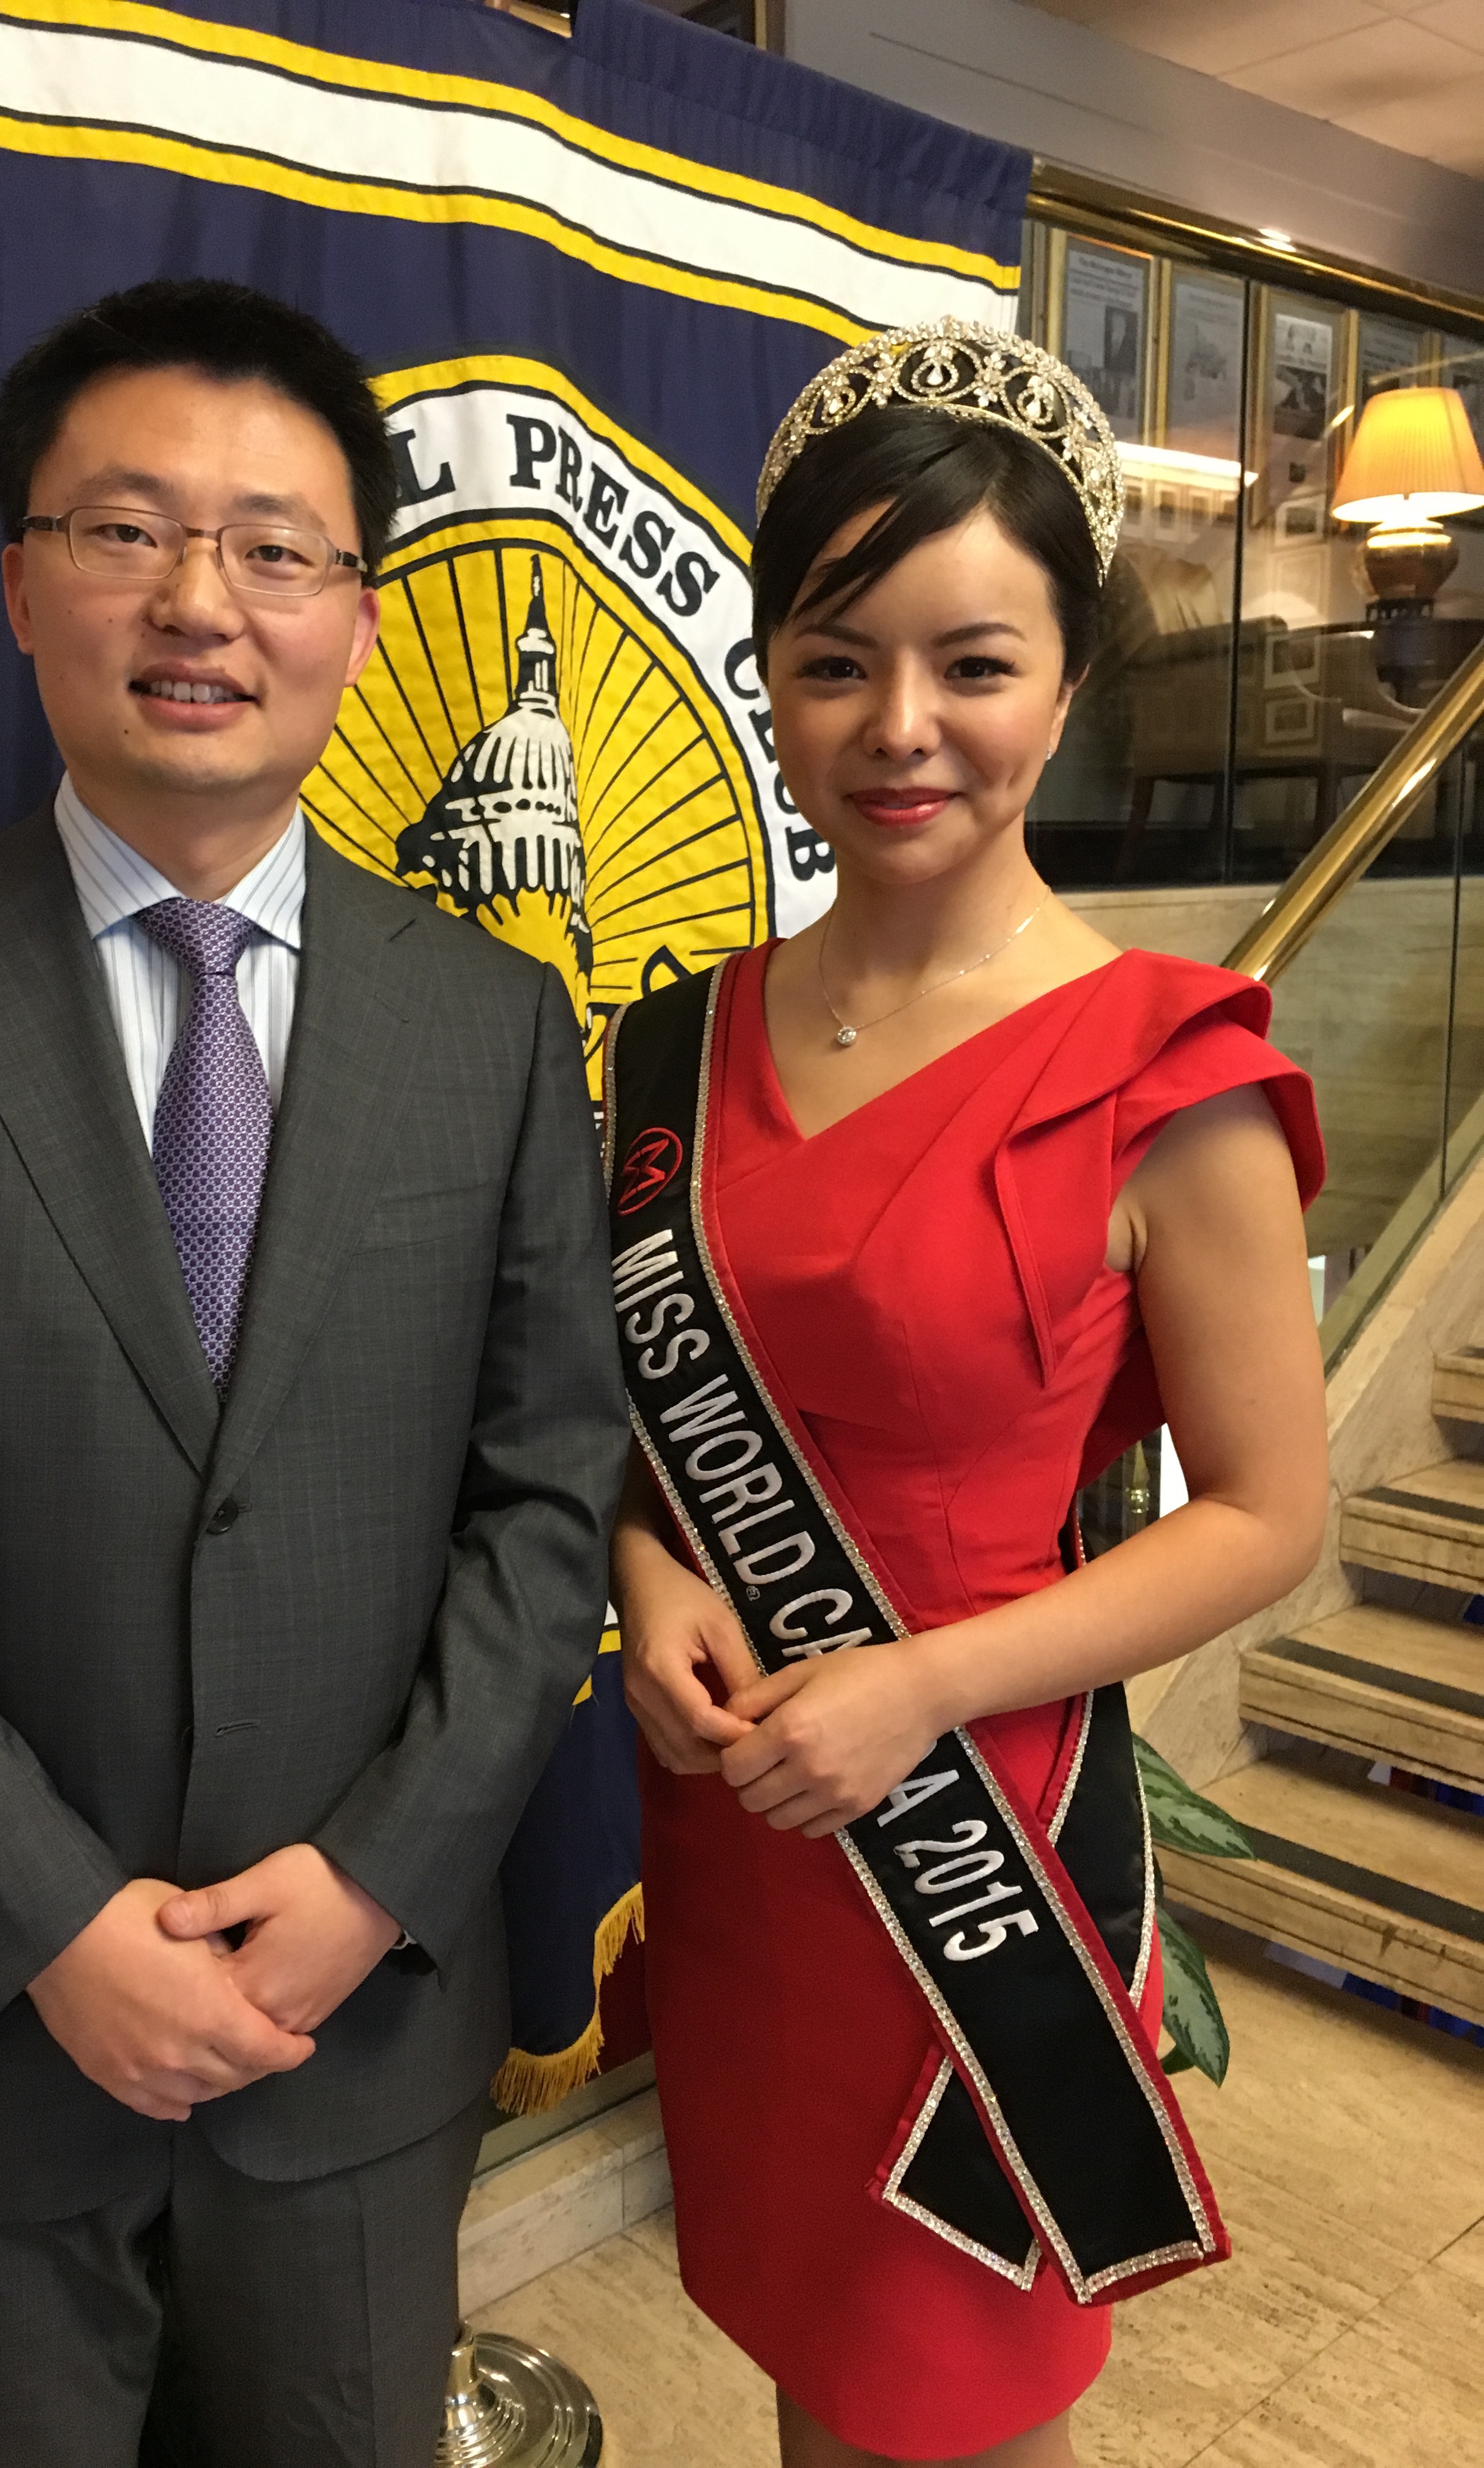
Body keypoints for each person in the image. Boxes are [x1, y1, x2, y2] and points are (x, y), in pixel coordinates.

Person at [0, 278, 627, 2468]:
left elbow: (547, 1486)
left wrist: (375, 1881)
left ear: (358, 619)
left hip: (352, 2045)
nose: (203, 599)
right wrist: (56, 1928)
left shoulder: (487, 1030)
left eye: (277, 547)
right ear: (19, 581)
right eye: (126, 530)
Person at [606, 322, 1328, 2468]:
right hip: (745, 1822)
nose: (899, 730)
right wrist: (647, 1565)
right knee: (804, 2357)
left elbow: (1263, 1515)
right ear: (772, 676)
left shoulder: (1166, 1068)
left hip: (966, 1824)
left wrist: (919, 1692)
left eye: (973, 664)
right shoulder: (677, 1039)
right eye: (835, 662)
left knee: (948, 2394)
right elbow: (670, 1408)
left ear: (1068, 683)